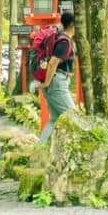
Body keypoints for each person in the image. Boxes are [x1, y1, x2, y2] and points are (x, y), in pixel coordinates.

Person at [34, 10, 78, 143]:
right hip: (57, 83)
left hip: (55, 83)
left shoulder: (61, 39)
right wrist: (47, 83)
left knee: (54, 119)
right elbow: (53, 63)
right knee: (73, 116)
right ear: (71, 25)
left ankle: (40, 148)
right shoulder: (64, 41)